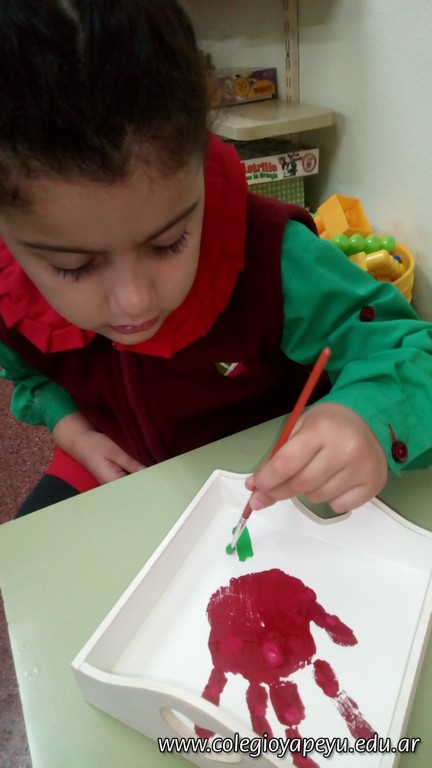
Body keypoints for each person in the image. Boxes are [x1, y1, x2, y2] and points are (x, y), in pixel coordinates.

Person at [0, 0, 431, 518]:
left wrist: (365, 416)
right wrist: (71, 429)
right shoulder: (10, 284)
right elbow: (30, 375)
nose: (134, 302)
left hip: (268, 471)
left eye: (168, 243)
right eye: (73, 267)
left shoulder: (274, 258)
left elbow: (412, 351)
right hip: (107, 458)